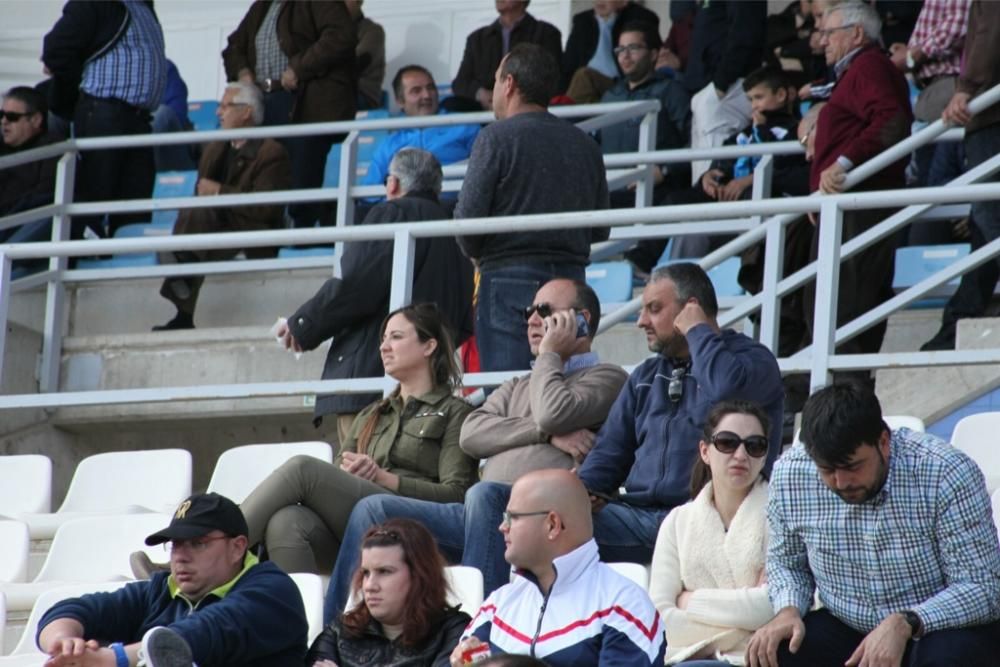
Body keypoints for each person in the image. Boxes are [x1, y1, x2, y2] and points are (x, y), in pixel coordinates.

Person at [467, 263, 785, 597]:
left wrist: (699, 333)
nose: (641, 321)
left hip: (703, 518)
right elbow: (611, 452)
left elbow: (727, 396)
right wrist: (578, 495)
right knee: (504, 504)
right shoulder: (647, 375)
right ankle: (493, 629)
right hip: (636, 516)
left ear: (691, 308)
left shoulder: (752, 360)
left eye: (654, 309)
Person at [324, 278, 627, 618]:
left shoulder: (608, 378)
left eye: (544, 311)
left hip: (543, 519)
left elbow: (552, 411)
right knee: (372, 509)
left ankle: (482, 633)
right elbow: (472, 433)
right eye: (529, 312)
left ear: (581, 319)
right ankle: (331, 636)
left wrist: (550, 355)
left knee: (484, 494)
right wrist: (544, 435)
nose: (530, 320)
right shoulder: (516, 385)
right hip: (479, 517)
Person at [747, 382, 1000, 667]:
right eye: (827, 470)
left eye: (853, 466)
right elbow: (787, 564)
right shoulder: (790, 475)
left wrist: (908, 621)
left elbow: (984, 587)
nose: (841, 483)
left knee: (951, 656)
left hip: (937, 625)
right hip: (845, 623)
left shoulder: (946, 472)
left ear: (884, 442)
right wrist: (788, 610)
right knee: (777, 651)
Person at [242, 303, 478, 575]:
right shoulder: (371, 414)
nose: (383, 347)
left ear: (429, 346)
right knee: (286, 522)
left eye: (396, 337)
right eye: (383, 339)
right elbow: (339, 473)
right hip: (361, 525)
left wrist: (384, 479)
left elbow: (457, 496)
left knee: (302, 469)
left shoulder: (455, 412)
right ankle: (298, 615)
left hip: (419, 528)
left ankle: (220, 545)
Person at [277, 148, 474, 444]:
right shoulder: (456, 231)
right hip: (431, 383)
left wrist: (303, 324)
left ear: (392, 183)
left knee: (362, 478)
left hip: (374, 383)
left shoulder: (391, 214)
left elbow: (356, 285)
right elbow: (463, 318)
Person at [456, 43, 610, 374]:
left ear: (509, 83)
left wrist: (478, 252)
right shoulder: (585, 144)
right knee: (565, 392)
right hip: (572, 282)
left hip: (507, 282)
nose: (495, 87)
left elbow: (467, 225)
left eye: (496, 80)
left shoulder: (494, 138)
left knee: (510, 396)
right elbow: (600, 228)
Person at [37, 492, 307, 666]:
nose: (180, 557)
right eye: (176, 545)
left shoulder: (272, 589)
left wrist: (113, 659)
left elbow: (204, 632)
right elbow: (72, 610)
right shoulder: (161, 590)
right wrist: (63, 644)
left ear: (237, 547)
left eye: (197, 543)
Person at [450, 469, 666, 666]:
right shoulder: (497, 605)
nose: (502, 527)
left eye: (512, 517)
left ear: (552, 524)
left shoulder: (625, 606)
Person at [803, 1, 912, 361]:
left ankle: (846, 395)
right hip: (845, 200)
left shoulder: (869, 65)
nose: (821, 42)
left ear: (857, 34)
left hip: (861, 199)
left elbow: (890, 119)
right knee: (830, 302)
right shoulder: (854, 72)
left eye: (828, 33)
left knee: (845, 304)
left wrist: (843, 165)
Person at [626, 66, 806, 272]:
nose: (754, 106)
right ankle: (642, 257)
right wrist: (708, 177)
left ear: (781, 95)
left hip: (764, 199)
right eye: (750, 100)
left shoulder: (795, 131)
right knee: (676, 199)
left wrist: (748, 178)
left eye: (759, 97)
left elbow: (785, 168)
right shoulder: (744, 133)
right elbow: (724, 161)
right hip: (729, 195)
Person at [153, 82, 291, 331]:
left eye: (225, 106)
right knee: (198, 215)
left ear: (247, 112)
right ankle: (183, 270)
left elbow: (265, 208)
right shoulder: (214, 148)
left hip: (253, 229)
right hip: (216, 227)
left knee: (200, 216)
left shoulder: (272, 152)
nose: (219, 112)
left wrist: (219, 192)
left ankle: (180, 262)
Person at [649, 399, 773, 665]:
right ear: (705, 451)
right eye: (728, 442)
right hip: (686, 658)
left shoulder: (779, 517)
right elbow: (659, 619)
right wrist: (747, 624)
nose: (741, 455)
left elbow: (772, 604)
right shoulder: (678, 522)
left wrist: (690, 601)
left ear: (763, 457)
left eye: (754, 446)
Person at [222, 1, 356, 228]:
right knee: (265, 166)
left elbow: (340, 35)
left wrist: (299, 68)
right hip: (266, 100)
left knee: (302, 168)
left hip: (306, 100)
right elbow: (233, 47)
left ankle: (300, 230)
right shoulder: (262, 6)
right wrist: (244, 72)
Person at [41, 0, 167, 239]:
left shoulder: (142, 7)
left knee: (134, 205)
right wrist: (75, 96)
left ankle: (126, 265)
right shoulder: (95, 3)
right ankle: (84, 260)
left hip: (138, 119)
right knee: (96, 196)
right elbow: (56, 49)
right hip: (103, 112)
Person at [919, 0, 1000, 351]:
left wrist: (966, 88)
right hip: (989, 114)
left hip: (991, 114)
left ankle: (957, 319)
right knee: (985, 223)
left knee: (989, 221)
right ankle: (958, 318)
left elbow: (988, 33)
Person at [306, 518, 469, 667]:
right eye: (366, 573)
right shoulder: (339, 633)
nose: (369, 586)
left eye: (384, 572)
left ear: (419, 575)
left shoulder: (453, 632)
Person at [599, 21, 692, 205]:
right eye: (620, 49)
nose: (625, 56)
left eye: (633, 48)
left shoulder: (671, 91)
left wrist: (664, 170)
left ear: (653, 54)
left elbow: (694, 140)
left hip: (654, 190)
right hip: (608, 189)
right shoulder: (610, 96)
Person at [360, 65, 479, 196]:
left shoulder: (464, 125)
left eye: (430, 88)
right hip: (406, 212)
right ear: (400, 101)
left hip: (454, 208)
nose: (427, 95)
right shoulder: (390, 144)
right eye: (416, 91)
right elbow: (369, 194)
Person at [684, 0, 767, 183]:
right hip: (708, 87)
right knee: (701, 171)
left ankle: (714, 208)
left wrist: (721, 83)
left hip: (729, 86)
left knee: (714, 171)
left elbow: (745, 33)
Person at [452, 0, 562, 111]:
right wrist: (482, 94)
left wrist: (512, 99)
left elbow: (553, 80)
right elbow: (460, 82)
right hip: (482, 114)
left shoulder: (546, 33)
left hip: (528, 112)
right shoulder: (477, 38)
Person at [561, 0, 660, 102]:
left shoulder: (640, 16)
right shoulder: (582, 20)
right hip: (586, 87)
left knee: (584, 76)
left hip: (622, 82)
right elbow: (568, 65)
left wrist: (610, 20)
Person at [0, 86, 59, 228]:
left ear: (36, 120)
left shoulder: (54, 151)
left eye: (12, 117)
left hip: (22, 226)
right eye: (1, 115)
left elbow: (43, 198)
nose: (4, 121)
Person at [345, 0, 386, 111]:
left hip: (361, 95)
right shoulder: (323, 32)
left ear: (359, 2)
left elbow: (353, 65)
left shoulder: (372, 31)